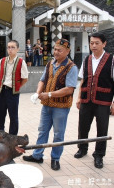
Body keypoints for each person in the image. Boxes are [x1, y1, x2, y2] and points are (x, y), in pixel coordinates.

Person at [23, 39, 78, 171]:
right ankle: (37, 155)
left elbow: (69, 89)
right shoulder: (50, 64)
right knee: (42, 130)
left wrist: (48, 94)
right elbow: (42, 80)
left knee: (58, 134)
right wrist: (37, 93)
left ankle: (55, 158)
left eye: (60, 50)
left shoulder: (72, 67)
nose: (56, 52)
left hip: (61, 107)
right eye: (55, 49)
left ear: (67, 51)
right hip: (46, 106)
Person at [74, 32, 114, 169]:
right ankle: (82, 148)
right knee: (83, 126)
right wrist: (79, 97)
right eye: (91, 43)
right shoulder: (87, 60)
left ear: (104, 44)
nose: (94, 45)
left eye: (97, 43)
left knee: (102, 129)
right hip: (86, 99)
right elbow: (83, 80)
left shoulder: (112, 60)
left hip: (103, 101)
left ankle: (99, 155)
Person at [0, 40, 28, 135]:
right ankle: (0, 135)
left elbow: (25, 78)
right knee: (0, 115)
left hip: (13, 93)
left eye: (13, 47)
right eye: (8, 47)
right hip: (2, 91)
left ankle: (12, 138)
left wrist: (17, 86)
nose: (10, 49)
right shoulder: (2, 60)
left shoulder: (21, 62)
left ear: (17, 49)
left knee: (13, 117)